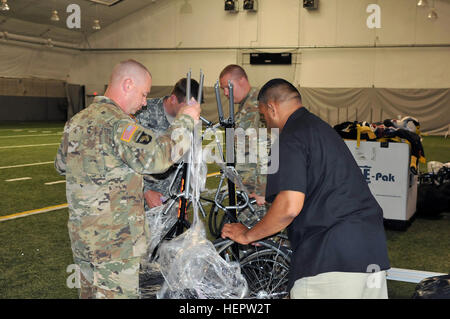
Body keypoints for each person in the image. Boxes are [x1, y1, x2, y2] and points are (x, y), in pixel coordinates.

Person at [221, 78, 390, 299]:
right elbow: (322, 181)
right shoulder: (321, 129)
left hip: (330, 256)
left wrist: (248, 234)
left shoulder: (289, 137)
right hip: (370, 251)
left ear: (271, 107)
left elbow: (290, 207)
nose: (266, 123)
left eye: (264, 116)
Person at [54, 59, 201, 299]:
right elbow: (159, 158)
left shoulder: (76, 121)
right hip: (115, 244)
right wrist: (186, 120)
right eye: (143, 94)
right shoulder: (119, 124)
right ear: (128, 84)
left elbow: (61, 166)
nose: (144, 102)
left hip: (84, 240)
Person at [135, 78, 202, 210]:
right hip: (144, 202)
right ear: (173, 99)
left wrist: (184, 202)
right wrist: (145, 191)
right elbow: (129, 159)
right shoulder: (143, 112)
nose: (190, 112)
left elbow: (190, 164)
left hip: (173, 201)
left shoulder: (192, 120)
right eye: (187, 108)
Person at [219, 65, 270, 226]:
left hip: (257, 190)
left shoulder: (257, 106)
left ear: (242, 80)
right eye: (223, 89)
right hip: (246, 186)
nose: (226, 93)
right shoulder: (245, 106)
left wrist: (263, 190)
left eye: (228, 87)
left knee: (259, 240)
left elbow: (268, 149)